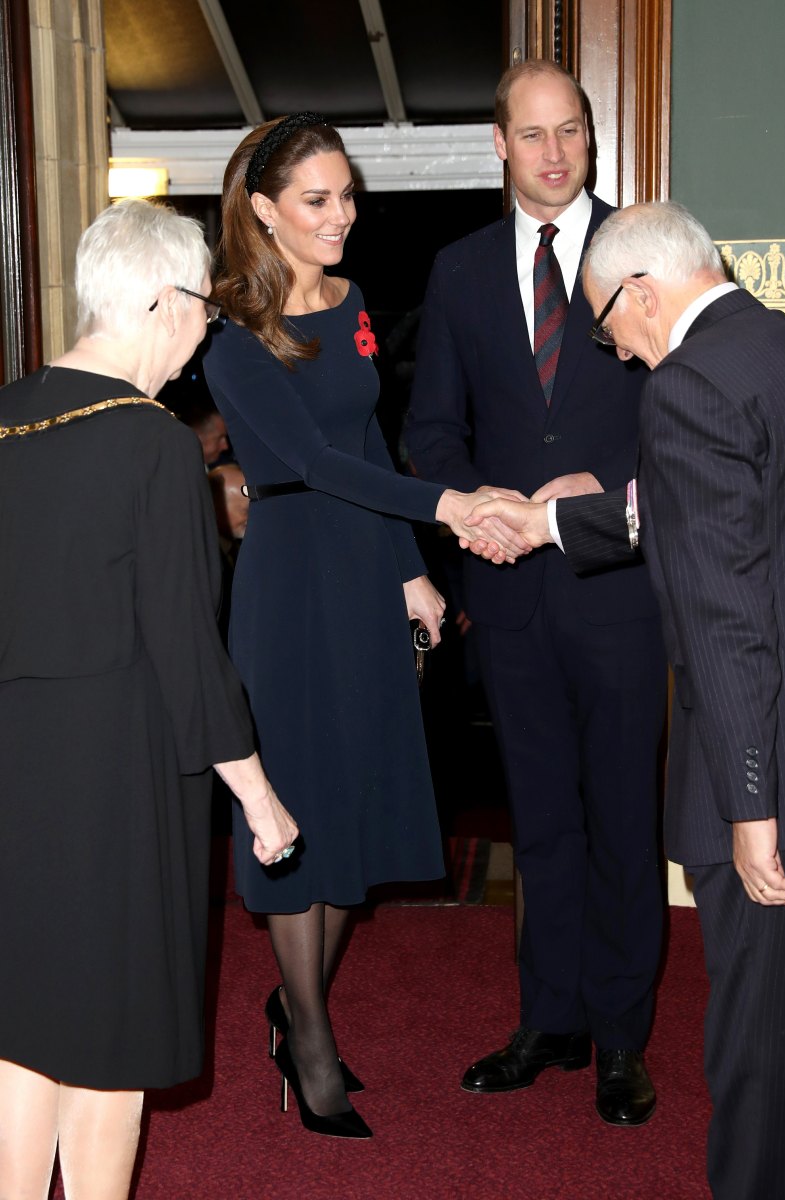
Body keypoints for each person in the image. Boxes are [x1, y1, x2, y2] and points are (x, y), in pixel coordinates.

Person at [202, 112, 526, 1141]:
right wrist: (446, 512)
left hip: (362, 572)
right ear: (261, 209)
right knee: (297, 812)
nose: (341, 216)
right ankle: (308, 1039)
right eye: (316, 199)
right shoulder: (229, 334)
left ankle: (290, 1005)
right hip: (290, 589)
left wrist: (408, 580)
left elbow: (371, 440)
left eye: (347, 196)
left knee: (355, 803)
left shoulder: (350, 303)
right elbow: (305, 462)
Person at [471, 199, 785, 1199]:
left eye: (608, 324)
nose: (614, 354)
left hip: (762, 760)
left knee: (758, 1053)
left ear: (643, 291)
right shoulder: (776, 345)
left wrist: (751, 808)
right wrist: (553, 520)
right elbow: (727, 509)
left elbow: (727, 615)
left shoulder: (684, 387)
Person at [0, 198, 297, 1200]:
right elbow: (185, 649)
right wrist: (257, 797)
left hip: (14, 774)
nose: (200, 340)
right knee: (110, 1029)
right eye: (203, 317)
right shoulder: (157, 446)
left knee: (22, 1023)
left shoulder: (5, 417)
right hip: (115, 782)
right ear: (162, 302)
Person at [403, 59, 667, 1125]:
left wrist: (596, 492)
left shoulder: (644, 254)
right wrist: (468, 509)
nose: (553, 152)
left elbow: (679, 411)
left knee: (620, 818)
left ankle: (618, 1039)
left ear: (590, 140)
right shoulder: (460, 272)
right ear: (498, 146)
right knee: (540, 822)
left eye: (571, 131)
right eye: (532, 134)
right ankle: (546, 1020)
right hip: (506, 595)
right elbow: (429, 428)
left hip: (618, 587)